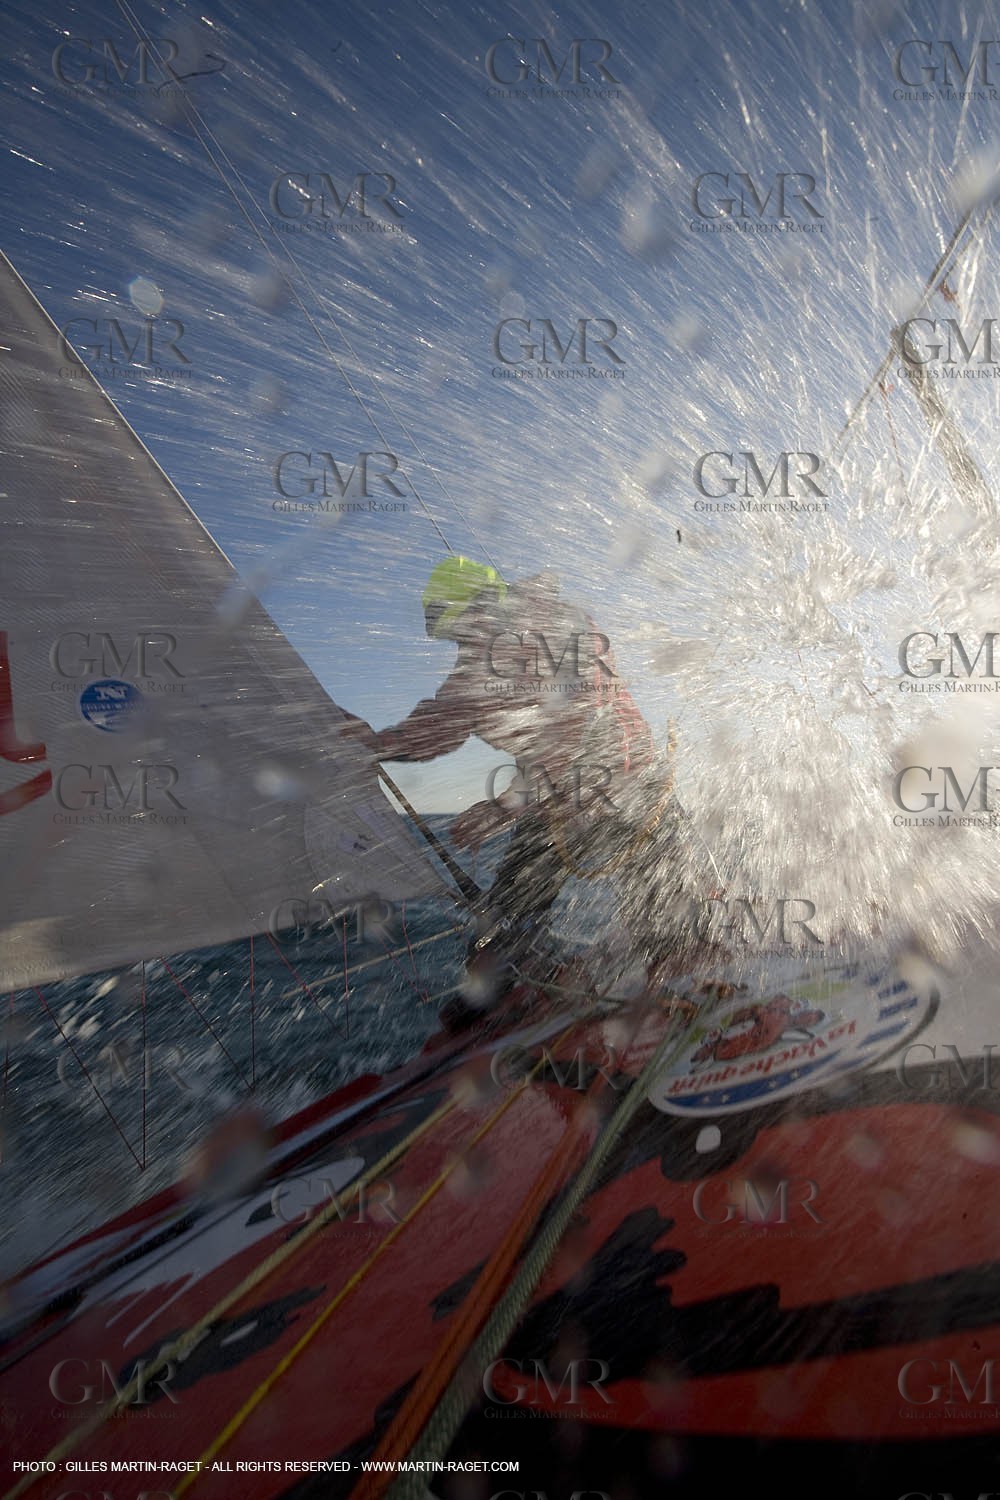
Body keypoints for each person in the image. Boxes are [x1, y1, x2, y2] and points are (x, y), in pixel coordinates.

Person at [347, 556, 704, 1004]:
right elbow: (443, 721)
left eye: (465, 628)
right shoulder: (476, 668)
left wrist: (504, 808)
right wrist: (379, 743)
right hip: (552, 808)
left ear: (488, 605)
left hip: (634, 794)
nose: (463, 643)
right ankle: (505, 997)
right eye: (455, 635)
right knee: (500, 926)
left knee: (671, 921)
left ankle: (689, 981)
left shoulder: (565, 629)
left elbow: (585, 726)